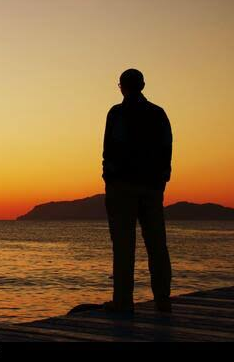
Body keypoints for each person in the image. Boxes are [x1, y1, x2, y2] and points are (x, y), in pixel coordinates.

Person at [102, 68, 173, 314]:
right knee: (157, 245)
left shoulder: (118, 113)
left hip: (123, 187)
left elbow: (108, 150)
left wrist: (109, 179)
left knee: (123, 247)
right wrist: (161, 179)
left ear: (122, 86)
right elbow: (167, 149)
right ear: (142, 85)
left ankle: (123, 302)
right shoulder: (157, 113)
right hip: (152, 187)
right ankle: (163, 300)